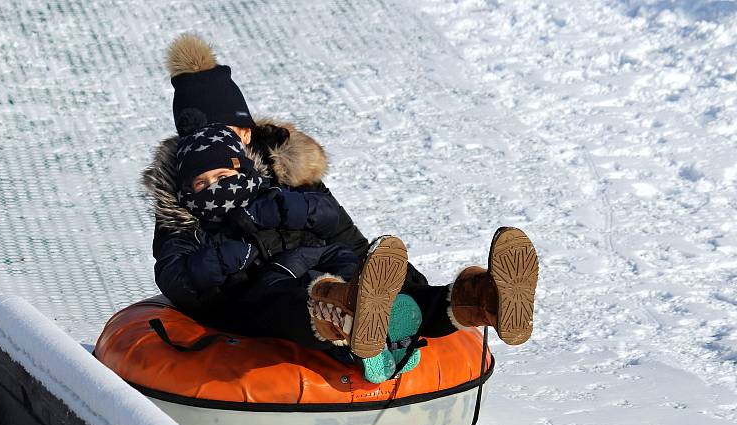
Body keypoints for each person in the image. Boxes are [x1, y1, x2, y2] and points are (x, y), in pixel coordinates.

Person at [143, 34, 539, 367]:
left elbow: (344, 231)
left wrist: (393, 274)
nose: (229, 139)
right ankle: (350, 312)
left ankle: (484, 298)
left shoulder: (286, 166)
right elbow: (181, 279)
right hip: (265, 295)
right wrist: (232, 255)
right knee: (297, 300)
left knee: (395, 289)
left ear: (246, 130)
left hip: (323, 262)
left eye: (233, 128)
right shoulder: (185, 195)